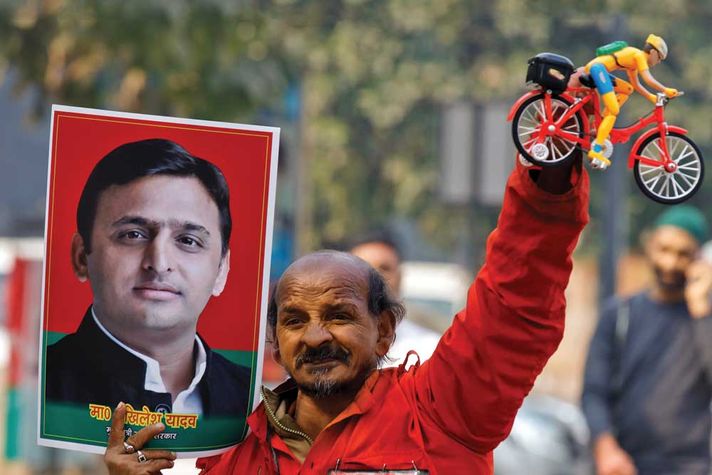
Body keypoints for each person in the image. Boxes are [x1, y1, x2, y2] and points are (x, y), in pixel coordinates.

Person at [104, 151, 590, 473]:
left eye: (338, 315)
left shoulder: (440, 412)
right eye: (294, 320)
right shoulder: (236, 453)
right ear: (275, 340)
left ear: (383, 331)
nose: (315, 336)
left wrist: (546, 186)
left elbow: (515, 305)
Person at [46, 138, 251, 418]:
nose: (159, 263)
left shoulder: (254, 403)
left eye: (188, 241)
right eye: (133, 235)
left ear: (221, 270)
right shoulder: (38, 389)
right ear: (82, 256)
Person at [582, 206, 712, 475]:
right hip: (624, 465)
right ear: (649, 246)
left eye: (683, 254)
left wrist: (701, 310)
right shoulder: (619, 314)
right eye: (664, 249)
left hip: (691, 467)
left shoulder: (704, 319)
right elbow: (594, 391)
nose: (670, 263)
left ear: (700, 258)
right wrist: (606, 449)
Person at [583, 34, 678, 169]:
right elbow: (648, 79)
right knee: (614, 110)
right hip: (597, 69)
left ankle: (600, 123)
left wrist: (651, 97)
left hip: (600, 69)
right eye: (659, 57)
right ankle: (597, 149)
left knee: (627, 89)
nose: (659, 61)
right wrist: (665, 89)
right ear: (652, 52)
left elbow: (636, 85)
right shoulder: (639, 56)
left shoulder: (633, 61)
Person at [349, 231, 442, 364]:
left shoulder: (430, 350)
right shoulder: (326, 346)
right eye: (364, 268)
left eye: (384, 268)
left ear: (400, 277)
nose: (376, 278)